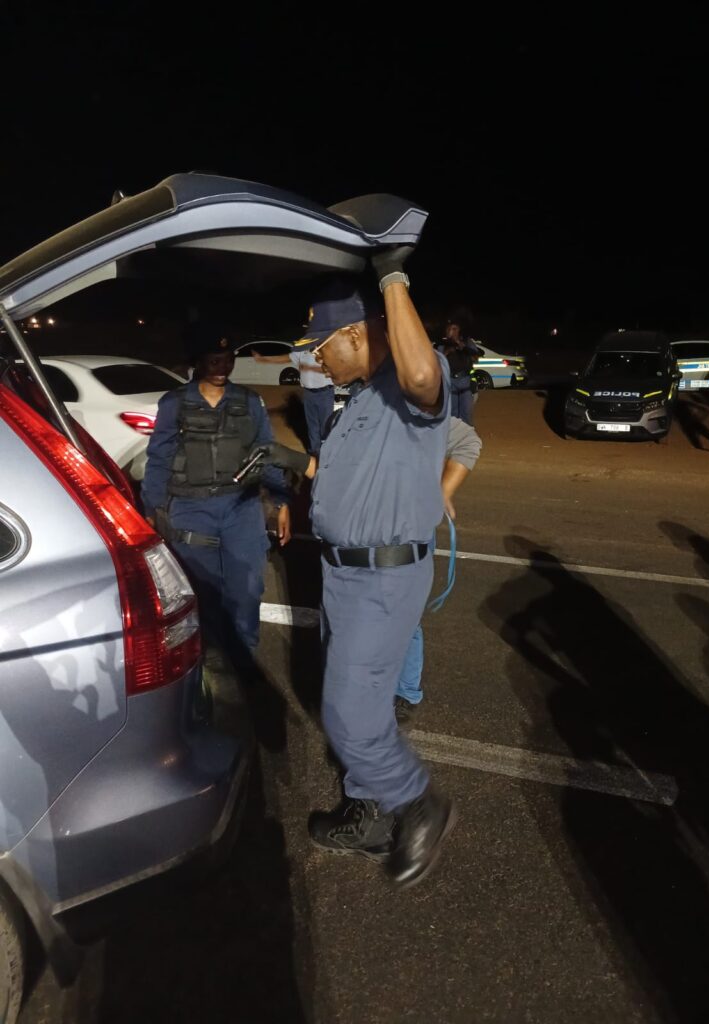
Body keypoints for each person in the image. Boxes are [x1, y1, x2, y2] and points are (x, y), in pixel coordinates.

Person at [294, 255, 455, 888]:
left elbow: (421, 373)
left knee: (348, 715)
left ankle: (418, 801)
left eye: (321, 347)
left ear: (357, 334)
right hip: (344, 576)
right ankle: (369, 818)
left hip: (381, 580)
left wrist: (392, 276)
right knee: (359, 701)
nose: (316, 360)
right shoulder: (357, 401)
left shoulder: (407, 389)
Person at [141, 326, 292, 664]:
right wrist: (150, 509)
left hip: (241, 506)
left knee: (247, 587)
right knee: (201, 588)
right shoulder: (174, 403)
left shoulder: (250, 402)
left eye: (226, 359)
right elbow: (159, 458)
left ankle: (244, 652)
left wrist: (281, 502)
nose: (222, 366)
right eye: (213, 359)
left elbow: (266, 452)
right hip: (190, 508)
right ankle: (208, 656)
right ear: (199, 362)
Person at [394, 417, 482, 726]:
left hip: (412, 530)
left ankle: (405, 690)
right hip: (367, 534)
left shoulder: (415, 410)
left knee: (407, 614)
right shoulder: (354, 407)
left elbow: (468, 442)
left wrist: (443, 491)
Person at [250, 346, 335, 455]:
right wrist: (264, 359)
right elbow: (286, 358)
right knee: (312, 428)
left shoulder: (325, 348)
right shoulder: (303, 349)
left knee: (326, 427)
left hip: (324, 393)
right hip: (309, 394)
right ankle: (314, 456)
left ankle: (327, 456)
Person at [437, 317, 480, 425]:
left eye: (455, 329)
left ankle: (467, 438)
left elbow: (476, 358)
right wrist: (447, 352)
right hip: (450, 384)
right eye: (450, 329)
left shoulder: (466, 342)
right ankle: (454, 438)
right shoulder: (442, 345)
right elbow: (437, 362)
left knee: (467, 414)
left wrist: (463, 347)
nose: (452, 332)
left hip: (465, 384)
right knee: (453, 415)